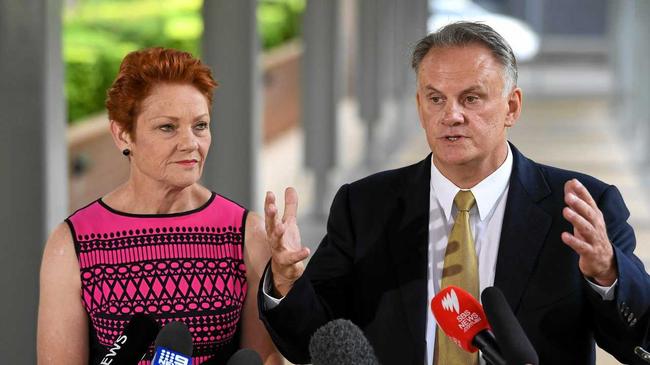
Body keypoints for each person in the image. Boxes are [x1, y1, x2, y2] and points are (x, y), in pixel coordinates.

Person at [258, 22, 650, 364]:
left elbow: (638, 342)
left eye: (471, 98)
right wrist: (286, 281)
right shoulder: (364, 207)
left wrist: (607, 273)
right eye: (436, 99)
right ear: (419, 106)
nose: (452, 115)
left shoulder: (581, 207)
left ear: (511, 107)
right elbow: (309, 342)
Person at [37, 48, 282, 365]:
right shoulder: (72, 243)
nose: (190, 143)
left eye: (200, 125)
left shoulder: (246, 233)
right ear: (123, 134)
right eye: (167, 127)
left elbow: (264, 359)